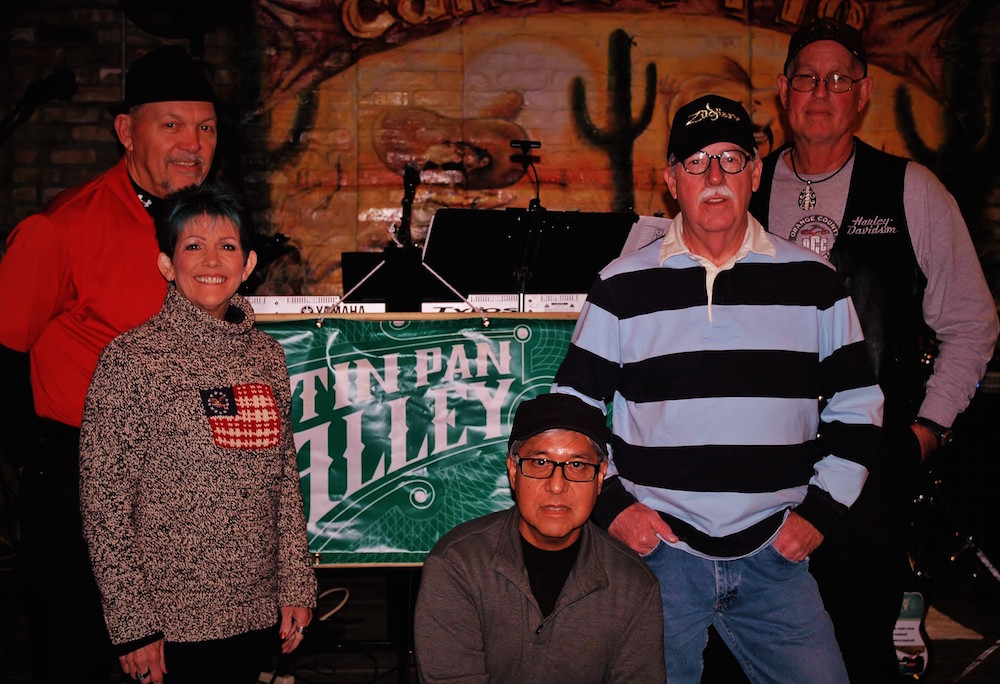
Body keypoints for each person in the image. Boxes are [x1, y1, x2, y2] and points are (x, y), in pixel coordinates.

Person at [552, 94, 885, 683]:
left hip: (777, 559)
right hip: (658, 557)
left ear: (755, 174)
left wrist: (820, 514)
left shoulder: (816, 284)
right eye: (697, 161)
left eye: (731, 159)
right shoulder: (619, 287)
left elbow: (858, 407)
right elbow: (572, 413)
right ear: (671, 178)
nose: (714, 176)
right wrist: (615, 509)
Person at [748, 18, 1000, 681]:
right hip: (751, 471)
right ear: (784, 91)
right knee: (748, 654)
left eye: (838, 79)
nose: (821, 91)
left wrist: (924, 434)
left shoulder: (911, 190)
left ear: (862, 95)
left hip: (866, 472)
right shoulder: (745, 187)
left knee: (856, 654)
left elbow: (972, 323)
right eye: (806, 77)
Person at [0, 45, 219, 683]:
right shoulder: (60, 230)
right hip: (84, 482)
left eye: (204, 127)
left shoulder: (211, 228)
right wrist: (41, 465)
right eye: (170, 124)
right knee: (88, 659)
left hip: (186, 482)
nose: (191, 144)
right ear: (126, 131)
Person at [79, 184, 317, 684]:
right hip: (171, 627)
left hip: (255, 614)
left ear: (248, 263)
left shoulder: (266, 356)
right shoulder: (132, 360)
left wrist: (296, 583)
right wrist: (133, 627)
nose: (212, 260)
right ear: (167, 264)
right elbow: (105, 506)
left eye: (227, 246)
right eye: (193, 246)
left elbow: (283, 479)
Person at [413, 393, 666, 684]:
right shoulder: (458, 566)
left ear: (600, 478)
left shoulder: (633, 585)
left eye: (577, 466)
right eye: (540, 462)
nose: (557, 486)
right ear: (513, 471)